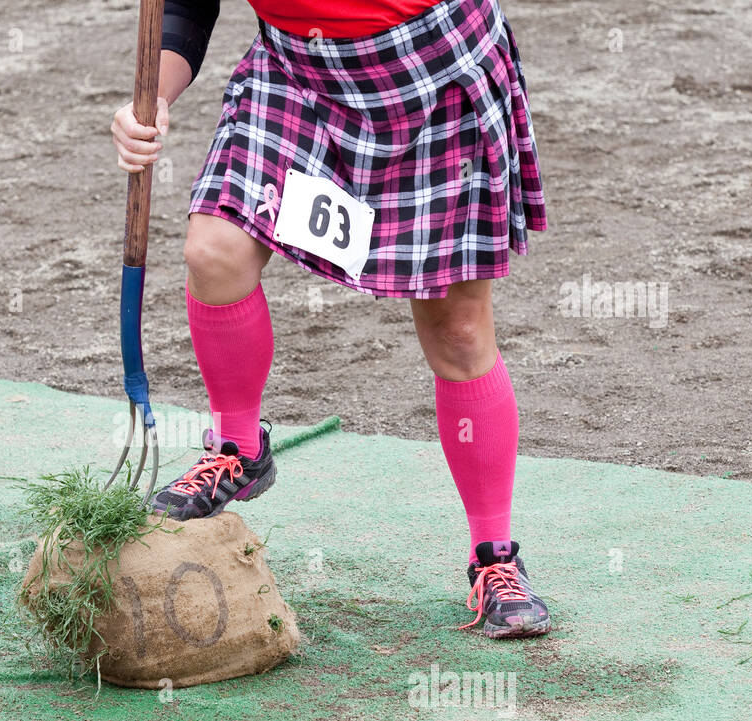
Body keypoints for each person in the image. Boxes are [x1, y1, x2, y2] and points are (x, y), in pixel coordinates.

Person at [110, 0, 550, 637]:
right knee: (214, 252)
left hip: (431, 72)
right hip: (297, 76)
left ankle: (494, 559)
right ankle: (237, 448)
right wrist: (153, 99)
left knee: (457, 330)